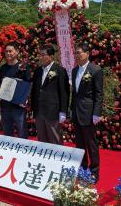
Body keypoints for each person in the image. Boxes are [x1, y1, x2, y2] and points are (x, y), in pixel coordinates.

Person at [71, 43, 103, 183]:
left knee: (91, 144)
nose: (77, 56)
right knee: (79, 144)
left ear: (87, 53)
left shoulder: (95, 70)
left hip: (89, 112)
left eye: (79, 53)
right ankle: (83, 168)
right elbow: (75, 93)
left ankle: (94, 171)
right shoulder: (74, 70)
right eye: (76, 53)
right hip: (77, 112)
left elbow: (99, 94)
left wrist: (96, 113)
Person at [31, 45, 70, 145]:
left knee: (55, 139)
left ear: (51, 56)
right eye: (40, 55)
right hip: (39, 111)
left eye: (43, 55)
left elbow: (64, 92)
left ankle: (58, 160)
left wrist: (63, 111)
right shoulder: (38, 71)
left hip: (52, 111)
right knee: (41, 139)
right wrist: (32, 108)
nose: (41, 57)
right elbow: (34, 90)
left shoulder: (60, 70)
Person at [0, 42, 30, 139]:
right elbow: (0, 84)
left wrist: (25, 100)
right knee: (7, 134)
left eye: (10, 51)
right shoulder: (3, 68)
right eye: (6, 51)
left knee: (22, 133)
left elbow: (28, 85)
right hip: (5, 106)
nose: (8, 53)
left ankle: (24, 152)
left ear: (17, 52)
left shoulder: (23, 67)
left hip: (18, 106)